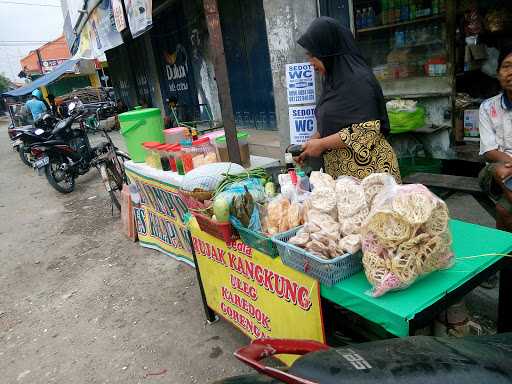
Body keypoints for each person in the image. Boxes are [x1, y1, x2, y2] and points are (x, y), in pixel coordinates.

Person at [295, 17, 401, 182]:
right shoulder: (333, 80)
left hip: (369, 174)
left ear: (328, 52)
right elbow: (335, 124)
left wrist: (322, 144)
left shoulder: (359, 81)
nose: (310, 63)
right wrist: (312, 143)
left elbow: (367, 130)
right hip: (344, 175)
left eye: (313, 56)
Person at [479, 45, 512, 233]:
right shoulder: (487, 108)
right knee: (501, 170)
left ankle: (502, 258)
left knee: (503, 210)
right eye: (506, 66)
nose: (511, 72)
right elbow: (490, 152)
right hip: (495, 172)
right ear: (498, 74)